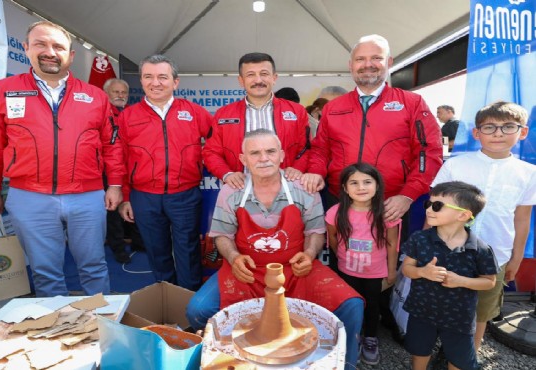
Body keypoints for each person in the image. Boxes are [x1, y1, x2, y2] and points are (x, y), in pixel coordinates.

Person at [187, 129, 364, 370]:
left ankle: (346, 364)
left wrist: (310, 254)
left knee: (352, 305)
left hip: (296, 268)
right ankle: (235, 360)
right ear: (243, 159)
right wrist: (234, 257)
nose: (263, 158)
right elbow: (223, 237)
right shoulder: (232, 191)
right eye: (255, 153)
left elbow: (315, 232)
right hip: (246, 270)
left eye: (270, 151)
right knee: (198, 309)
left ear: (281, 155)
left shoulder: (301, 187)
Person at [0, 20, 125, 296]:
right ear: (26, 48)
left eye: (58, 46)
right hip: (29, 195)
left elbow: (112, 144)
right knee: (45, 270)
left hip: (87, 194)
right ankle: (59, 331)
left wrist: (115, 184)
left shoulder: (94, 96)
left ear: (71, 55)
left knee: (94, 265)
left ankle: (101, 327)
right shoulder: (2, 91)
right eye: (41, 44)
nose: (50, 52)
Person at [430, 101, 536, 352]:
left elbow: (522, 218)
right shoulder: (456, 165)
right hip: (448, 251)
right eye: (489, 127)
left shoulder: (529, 173)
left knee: (481, 312)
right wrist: (429, 246)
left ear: (522, 132)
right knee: (442, 303)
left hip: (495, 254)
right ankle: (442, 350)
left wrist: (516, 257)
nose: (498, 133)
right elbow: (434, 208)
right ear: (476, 133)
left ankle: (470, 354)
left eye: (507, 126)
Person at [308, 34, 442, 228]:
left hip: (392, 205)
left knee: (391, 259)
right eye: (360, 59)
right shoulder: (332, 108)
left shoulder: (412, 103)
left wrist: (407, 195)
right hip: (341, 202)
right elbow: (320, 150)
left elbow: (428, 153)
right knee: (343, 258)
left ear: (389, 62)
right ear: (350, 65)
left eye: (376, 58)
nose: (367, 64)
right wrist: (315, 172)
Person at [117, 55, 212, 291]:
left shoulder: (195, 112)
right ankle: (167, 298)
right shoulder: (128, 117)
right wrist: (126, 197)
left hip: (185, 195)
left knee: (188, 250)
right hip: (144, 196)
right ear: (141, 81)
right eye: (148, 77)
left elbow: (216, 143)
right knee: (156, 250)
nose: (155, 82)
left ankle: (189, 305)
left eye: (163, 77)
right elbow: (120, 159)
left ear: (175, 82)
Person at [402, 181, 498, 370]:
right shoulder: (419, 239)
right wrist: (422, 272)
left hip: (459, 318)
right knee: (420, 351)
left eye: (437, 206)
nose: (429, 209)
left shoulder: (480, 249)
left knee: (459, 358)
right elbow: (407, 269)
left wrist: (461, 281)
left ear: (463, 215)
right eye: (428, 204)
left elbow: (489, 282)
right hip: (422, 311)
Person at [203, 53, 314, 192]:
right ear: (241, 80)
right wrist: (227, 174)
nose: (258, 80)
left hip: (287, 189)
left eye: (264, 73)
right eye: (250, 75)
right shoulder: (223, 114)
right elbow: (211, 152)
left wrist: (298, 168)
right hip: (240, 190)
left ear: (274, 78)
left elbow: (307, 149)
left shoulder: (297, 112)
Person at [325, 162, 400, 365]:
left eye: (367, 182)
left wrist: (391, 271)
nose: (361, 187)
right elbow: (332, 238)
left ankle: (370, 338)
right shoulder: (335, 212)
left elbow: (392, 244)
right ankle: (354, 337)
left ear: (377, 186)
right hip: (346, 270)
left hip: (375, 272)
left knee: (372, 305)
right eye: (354, 183)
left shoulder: (386, 213)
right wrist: (342, 256)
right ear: (344, 188)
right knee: (352, 305)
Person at [102, 78, 144, 264]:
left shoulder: (133, 114)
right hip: (108, 170)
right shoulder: (100, 113)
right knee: (113, 211)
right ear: (106, 94)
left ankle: (138, 242)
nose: (120, 96)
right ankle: (118, 248)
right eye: (115, 92)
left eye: (123, 93)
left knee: (135, 205)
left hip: (133, 168)